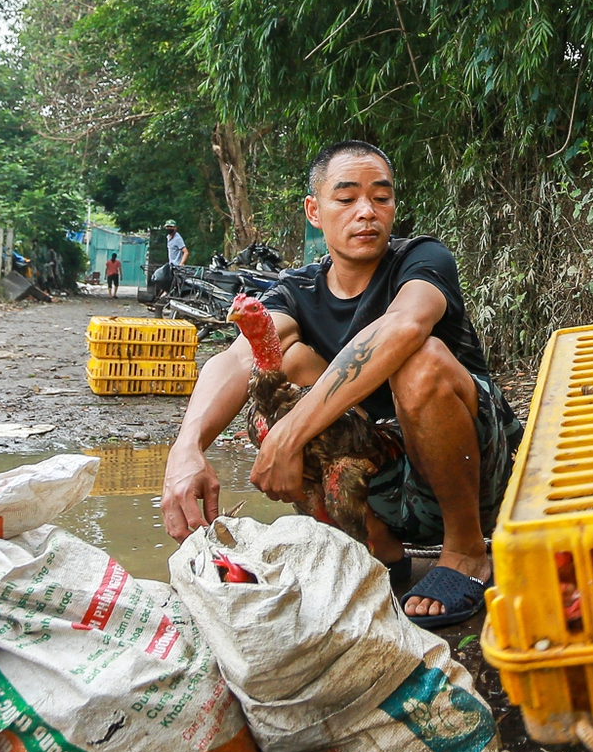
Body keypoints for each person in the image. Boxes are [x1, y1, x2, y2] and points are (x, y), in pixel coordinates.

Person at [160, 140, 521, 628]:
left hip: (476, 471)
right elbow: (239, 357)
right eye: (347, 198)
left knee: (420, 361)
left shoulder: (421, 259)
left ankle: (464, 550)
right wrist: (186, 449)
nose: (366, 212)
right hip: (379, 474)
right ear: (315, 210)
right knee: (278, 371)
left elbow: (406, 326)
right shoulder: (299, 290)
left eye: (381, 197)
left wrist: (292, 436)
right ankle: (379, 546)